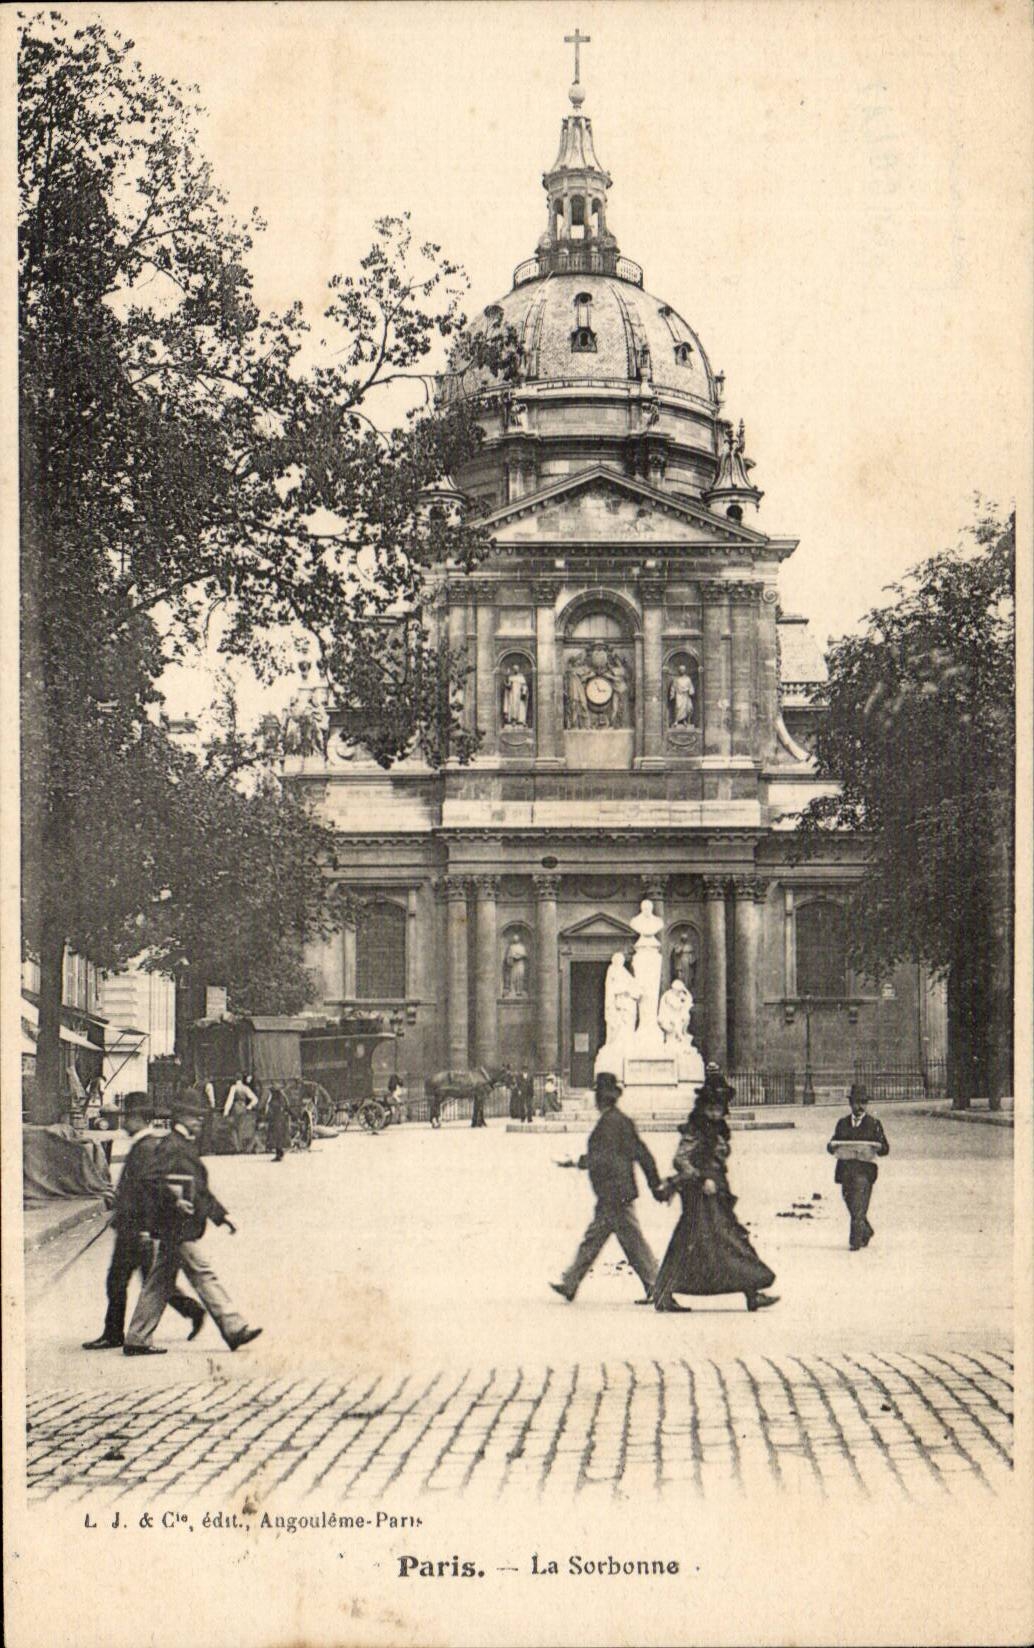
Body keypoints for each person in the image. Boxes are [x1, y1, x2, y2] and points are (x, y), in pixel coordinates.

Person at [123, 1089, 262, 1356]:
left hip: (176, 1226)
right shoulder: (172, 1146)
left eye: (200, 1116)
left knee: (160, 1282)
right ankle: (234, 1327)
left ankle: (137, 1337)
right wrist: (174, 1200)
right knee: (202, 1272)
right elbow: (150, 1179)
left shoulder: (182, 1144)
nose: (200, 1121)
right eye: (195, 1116)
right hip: (177, 1226)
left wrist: (221, 1216)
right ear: (181, 1117)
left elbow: (199, 1189)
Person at [82, 1092, 204, 1350]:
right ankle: (192, 1310)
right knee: (149, 1281)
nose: (124, 1122)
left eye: (127, 1117)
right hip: (132, 1226)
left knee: (131, 1282)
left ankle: (114, 1333)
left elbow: (151, 1191)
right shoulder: (143, 1145)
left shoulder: (147, 1148)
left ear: (139, 1118)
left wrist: (145, 1230)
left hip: (137, 1228)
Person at [653, 1086, 778, 1313]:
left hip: (716, 1192)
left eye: (718, 1109)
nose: (714, 1113)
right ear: (702, 1108)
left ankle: (752, 1292)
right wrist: (702, 1178)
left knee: (732, 1238)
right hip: (698, 1194)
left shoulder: (717, 1128)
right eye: (710, 1108)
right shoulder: (696, 1129)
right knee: (692, 1240)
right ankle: (663, 1293)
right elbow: (680, 1160)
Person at [550, 1072, 664, 1304]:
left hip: (614, 1194)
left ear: (599, 1099)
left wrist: (576, 1162)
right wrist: (655, 1184)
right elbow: (643, 1155)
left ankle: (657, 1285)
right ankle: (570, 1283)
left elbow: (602, 1158)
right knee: (599, 1239)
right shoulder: (621, 1121)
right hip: (616, 1193)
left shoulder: (609, 1124)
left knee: (630, 1242)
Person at [827, 1084, 890, 1250]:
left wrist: (878, 1147)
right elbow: (832, 1144)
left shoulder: (874, 1124)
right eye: (857, 1102)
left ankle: (854, 1241)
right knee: (850, 1201)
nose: (860, 1106)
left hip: (864, 1171)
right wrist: (832, 1146)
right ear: (850, 1104)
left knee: (858, 1205)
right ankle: (866, 1230)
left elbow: (885, 1148)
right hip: (845, 1170)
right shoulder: (842, 1123)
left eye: (863, 1102)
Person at [223, 1072, 260, 1153]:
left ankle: (238, 1147)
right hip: (243, 1107)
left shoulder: (234, 1087)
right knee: (241, 1127)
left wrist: (226, 1111)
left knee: (234, 1128)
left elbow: (230, 1099)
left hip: (236, 1108)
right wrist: (249, 1106)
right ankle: (242, 1147)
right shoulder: (245, 1088)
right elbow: (255, 1099)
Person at [266, 1085, 291, 1162]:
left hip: (277, 1120)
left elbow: (271, 1109)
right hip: (280, 1119)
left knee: (277, 1137)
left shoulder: (275, 1100)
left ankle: (279, 1154)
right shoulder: (282, 1098)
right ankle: (280, 1153)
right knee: (279, 1137)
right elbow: (287, 1107)